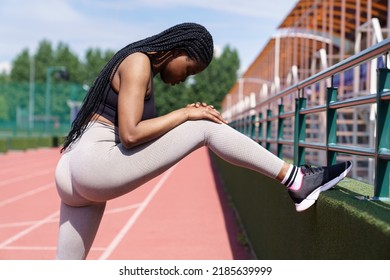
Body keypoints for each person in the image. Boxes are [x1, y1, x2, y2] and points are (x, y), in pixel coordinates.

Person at [55, 22, 352, 259]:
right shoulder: (138, 63)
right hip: (93, 163)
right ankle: (296, 180)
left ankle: (296, 180)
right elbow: (131, 134)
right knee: (205, 128)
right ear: (177, 51)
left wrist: (186, 114)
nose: (186, 79)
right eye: (189, 69)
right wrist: (187, 113)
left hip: (72, 169)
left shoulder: (135, 61)